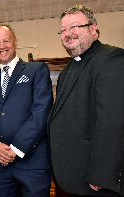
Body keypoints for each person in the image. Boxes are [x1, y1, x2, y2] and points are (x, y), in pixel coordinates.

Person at [48, 4, 124, 196]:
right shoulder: (67, 70)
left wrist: (102, 174)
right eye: (63, 29)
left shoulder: (111, 59)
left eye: (75, 27)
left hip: (96, 182)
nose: (68, 33)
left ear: (94, 29)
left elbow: (112, 122)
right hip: (72, 177)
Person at [0, 24, 53, 197]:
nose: (2, 46)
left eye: (6, 40)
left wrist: (16, 148)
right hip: (0, 166)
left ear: (15, 42)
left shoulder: (37, 70)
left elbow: (41, 112)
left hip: (32, 163)